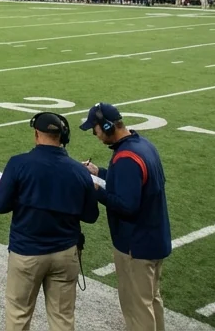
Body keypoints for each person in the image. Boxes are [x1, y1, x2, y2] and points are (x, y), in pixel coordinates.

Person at [0, 112, 98, 331]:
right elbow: (91, 216)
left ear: (36, 134)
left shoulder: (19, 163)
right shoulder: (79, 171)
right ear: (63, 137)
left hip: (27, 252)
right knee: (62, 319)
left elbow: (0, 205)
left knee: (18, 315)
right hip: (65, 253)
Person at [81, 103, 171, 331]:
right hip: (154, 238)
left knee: (137, 309)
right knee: (151, 300)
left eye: (95, 129)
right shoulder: (143, 146)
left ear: (107, 126)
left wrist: (94, 189)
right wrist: (100, 172)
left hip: (135, 246)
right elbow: (131, 181)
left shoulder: (126, 157)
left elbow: (127, 205)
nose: (95, 135)